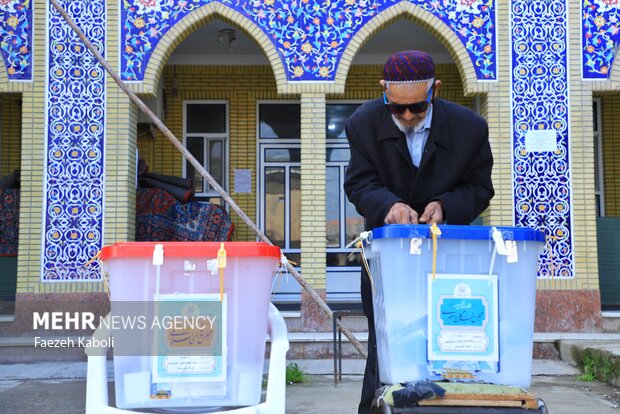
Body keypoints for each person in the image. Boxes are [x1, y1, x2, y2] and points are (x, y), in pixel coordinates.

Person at [343, 50, 494, 413]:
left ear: (435, 90)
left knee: (449, 338)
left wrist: (446, 206)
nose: (408, 116)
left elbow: (480, 188)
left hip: (448, 255)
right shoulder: (362, 123)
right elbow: (360, 182)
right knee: (386, 342)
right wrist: (387, 206)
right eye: (397, 109)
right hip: (387, 257)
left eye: (418, 107)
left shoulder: (470, 128)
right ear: (384, 92)